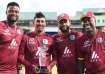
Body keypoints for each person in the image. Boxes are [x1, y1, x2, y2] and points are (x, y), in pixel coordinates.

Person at [0, 2, 24, 74]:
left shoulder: (21, 30)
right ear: (6, 12)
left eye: (16, 12)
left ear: (19, 14)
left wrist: (19, 71)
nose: (14, 13)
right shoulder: (0, 26)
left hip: (14, 71)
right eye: (11, 11)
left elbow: (20, 52)